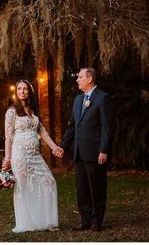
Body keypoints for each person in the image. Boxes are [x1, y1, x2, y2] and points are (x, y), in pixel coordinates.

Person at [54, 67, 115, 232]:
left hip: (96, 153)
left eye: (80, 77)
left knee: (97, 188)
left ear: (89, 79)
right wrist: (62, 145)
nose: (77, 80)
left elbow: (107, 128)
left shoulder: (103, 98)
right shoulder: (78, 100)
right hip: (79, 153)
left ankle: (96, 221)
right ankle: (85, 220)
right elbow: (73, 126)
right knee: (82, 189)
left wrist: (104, 150)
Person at [2, 79, 63, 232]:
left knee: (49, 182)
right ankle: (26, 223)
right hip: (19, 155)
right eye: (19, 89)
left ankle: (48, 222)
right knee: (22, 187)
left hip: (35, 156)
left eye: (25, 89)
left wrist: (54, 147)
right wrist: (7, 158)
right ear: (16, 92)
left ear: (30, 91)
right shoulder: (11, 111)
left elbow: (42, 132)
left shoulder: (33, 110)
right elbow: (8, 136)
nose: (22, 91)